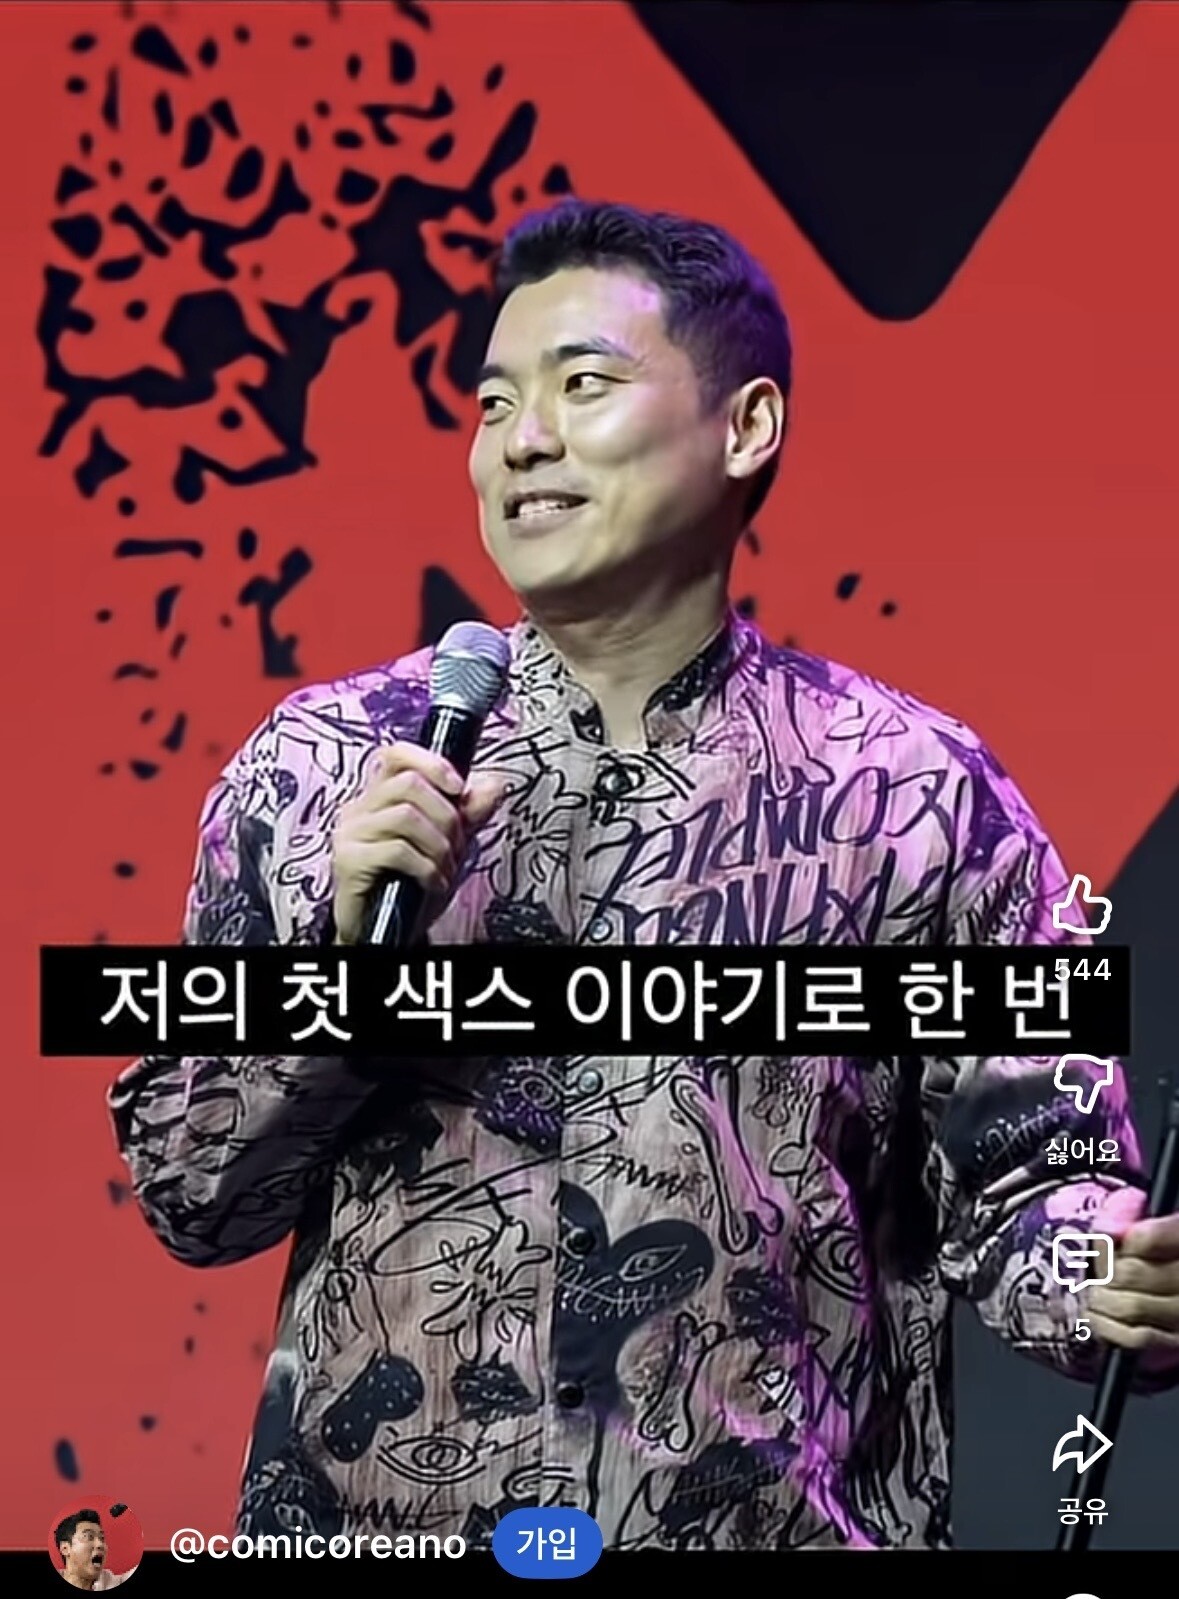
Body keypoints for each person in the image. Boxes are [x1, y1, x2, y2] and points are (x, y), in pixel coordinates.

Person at [109, 199, 1179, 1551]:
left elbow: (1035, 1183)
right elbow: (188, 1189)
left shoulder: (913, 792)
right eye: (494, 402)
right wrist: (340, 964)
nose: (521, 439)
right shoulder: (323, 767)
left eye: (583, 385)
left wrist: (1108, 1276)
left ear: (745, 426)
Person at [53, 1510, 132, 1589]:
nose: (100, 1544)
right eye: (89, 1537)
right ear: (65, 1549)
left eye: (102, 1538)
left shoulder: (116, 1583)